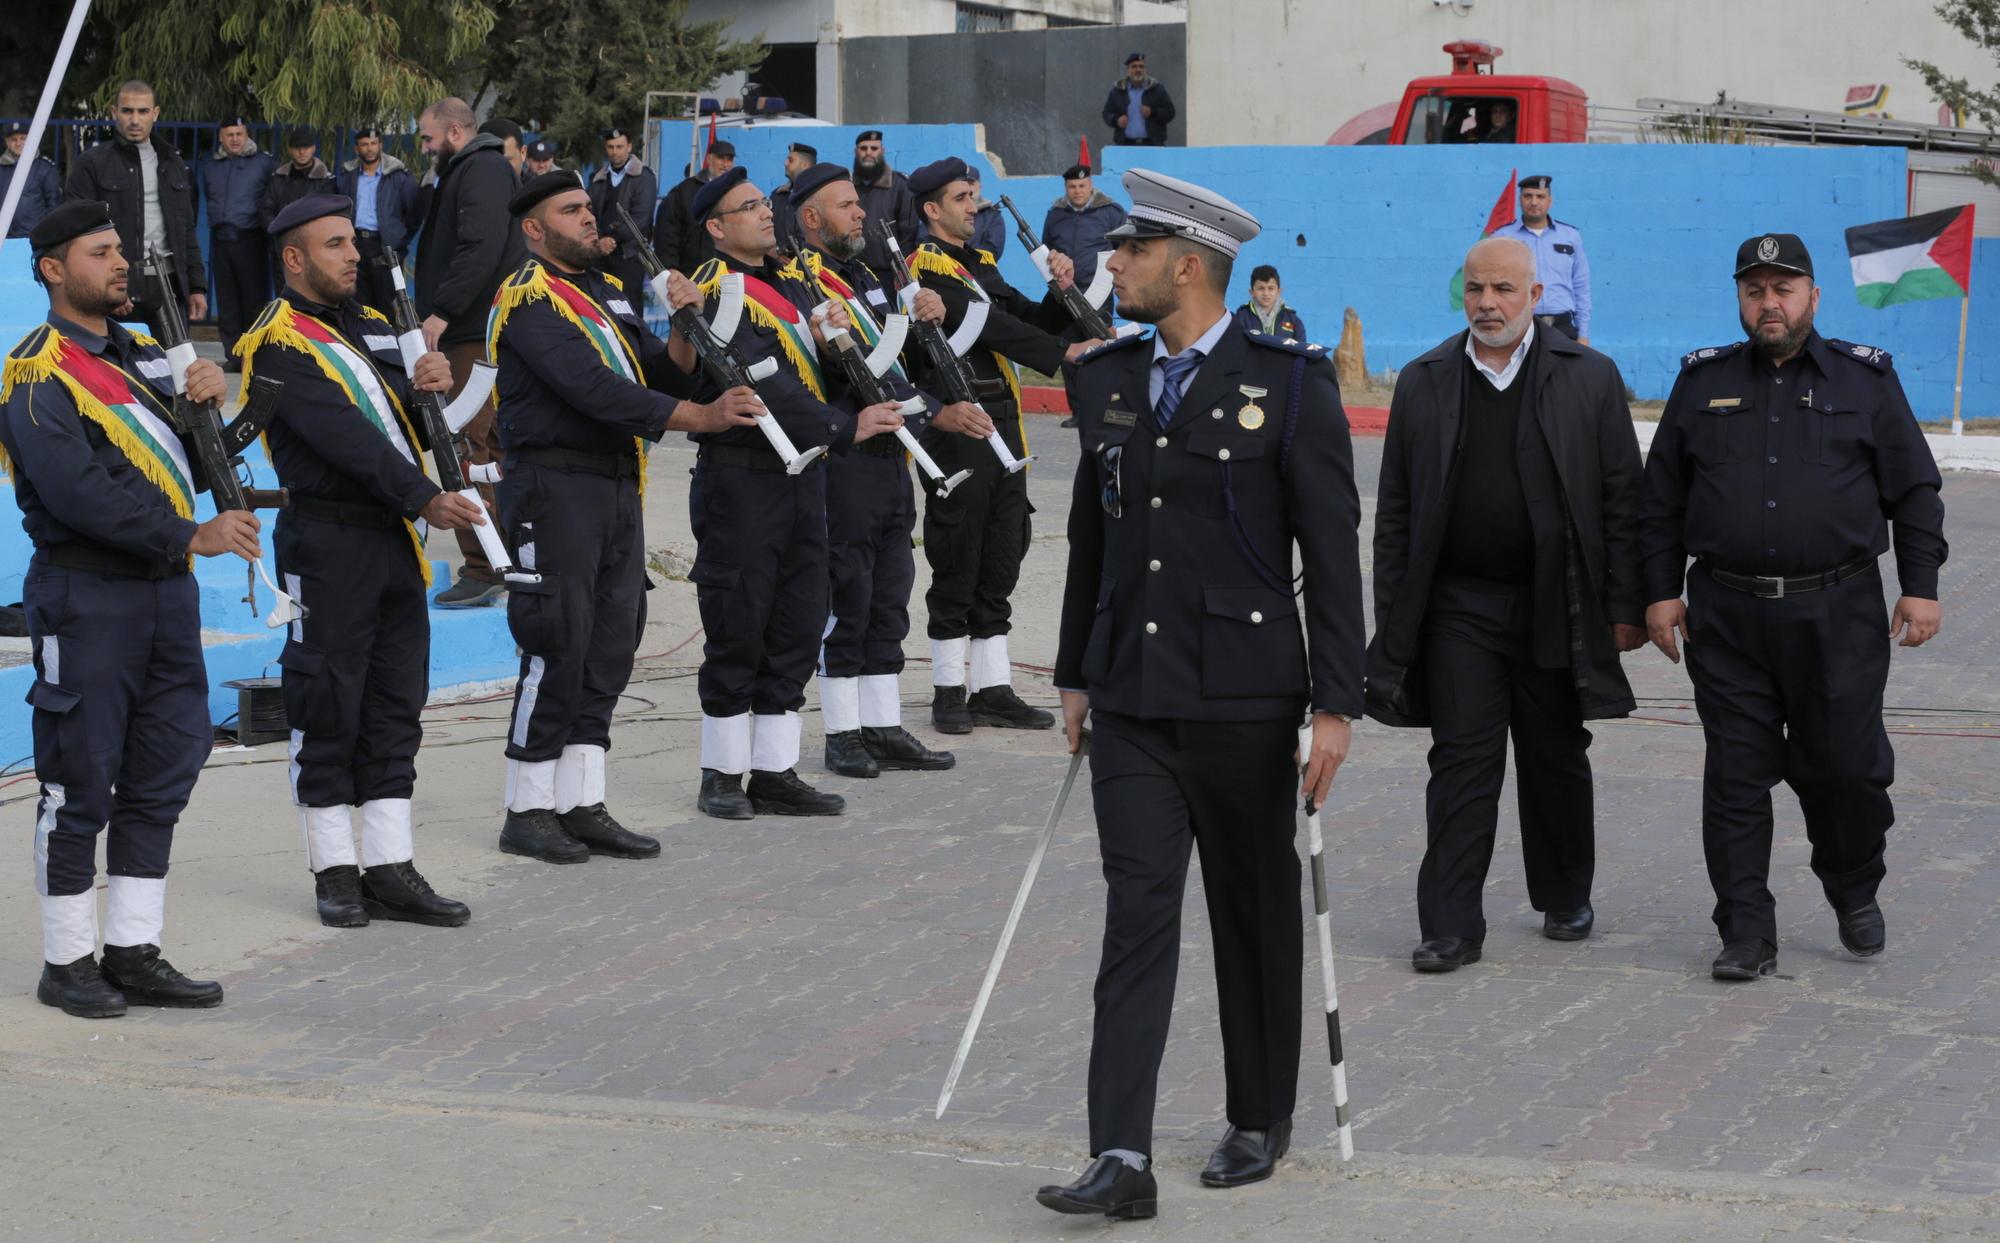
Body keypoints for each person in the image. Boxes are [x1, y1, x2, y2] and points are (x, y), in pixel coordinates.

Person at [1037, 168, 1363, 1218]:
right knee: (1135, 914)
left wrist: (1334, 704)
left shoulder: (1295, 382)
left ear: (1183, 265)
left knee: (1251, 913)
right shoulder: (1110, 378)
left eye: (1126, 252)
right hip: (1131, 697)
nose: (1111, 266)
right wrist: (1075, 672)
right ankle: (1118, 1154)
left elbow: (1332, 549)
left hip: (1243, 696)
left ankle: (1257, 1113)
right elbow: (1093, 534)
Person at [1641, 233, 1946, 981]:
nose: (1768, 303)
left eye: (1783, 288)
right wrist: (1656, 591)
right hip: (1728, 616)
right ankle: (1746, 929)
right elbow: (1658, 502)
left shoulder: (1865, 380)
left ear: (1813, 296)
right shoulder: (1700, 381)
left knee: (1845, 771)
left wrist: (1921, 583)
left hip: (1838, 614)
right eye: (1754, 290)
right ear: (1740, 300)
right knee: (1737, 777)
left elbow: (1914, 490)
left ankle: (1852, 886)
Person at [2, 201, 263, 1018]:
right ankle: (67, 958)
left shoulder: (146, 354)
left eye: (122, 249)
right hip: (88, 593)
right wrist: (195, 532)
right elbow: (80, 496)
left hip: (164, 593)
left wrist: (216, 405)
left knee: (163, 771)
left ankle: (134, 947)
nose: (122, 264)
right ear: (52, 268)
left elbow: (186, 458)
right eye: (101, 252)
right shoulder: (36, 371)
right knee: (79, 780)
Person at [1366, 236, 1645, 972]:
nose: (1488, 303)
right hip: (1460, 609)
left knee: (1556, 755)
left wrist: (1625, 605)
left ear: (1536, 296)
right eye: (1476, 290)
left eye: (1504, 291)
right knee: (1461, 760)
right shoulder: (1425, 380)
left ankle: (1564, 893)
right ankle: (1451, 925)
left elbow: (1623, 502)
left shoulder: (1590, 378)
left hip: (1561, 604)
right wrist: (1392, 613)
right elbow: (1395, 509)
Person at [488, 171, 765, 857]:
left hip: (614, 486)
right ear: (533, 228)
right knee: (556, 639)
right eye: (571, 210)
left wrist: (683, 327)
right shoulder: (528, 298)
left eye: (588, 207)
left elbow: (656, 372)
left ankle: (581, 800)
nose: (589, 219)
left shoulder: (604, 293)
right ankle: (527, 809)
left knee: (610, 642)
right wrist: (700, 416)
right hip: (553, 488)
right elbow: (594, 389)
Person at [236, 196, 484, 928]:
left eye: (353, 242)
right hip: (328, 540)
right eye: (334, 244)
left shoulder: (375, 328)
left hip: (391, 541)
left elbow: (402, 420)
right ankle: (335, 868)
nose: (352, 255)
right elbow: (346, 437)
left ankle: (389, 864)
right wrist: (423, 497)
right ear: (294, 258)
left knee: (393, 701)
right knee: (327, 701)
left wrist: (429, 383)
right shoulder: (274, 341)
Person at [681, 168, 905, 819]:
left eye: (762, 203)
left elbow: (807, 373)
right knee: (740, 623)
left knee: (797, 623)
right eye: (745, 207)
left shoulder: (785, 283)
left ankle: (775, 769)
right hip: (743, 479)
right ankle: (722, 772)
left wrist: (832, 347)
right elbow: (763, 379)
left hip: (803, 476)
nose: (762, 214)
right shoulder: (715, 289)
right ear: (717, 227)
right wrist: (844, 426)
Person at [904, 157, 1101, 734]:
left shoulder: (977, 264)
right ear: (932, 209)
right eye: (962, 198)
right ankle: (947, 689)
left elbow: (1025, 317)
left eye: (975, 196)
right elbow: (987, 324)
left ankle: (992, 686)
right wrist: (1061, 355)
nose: (974, 207)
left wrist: (1064, 288)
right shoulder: (922, 268)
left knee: (1002, 548)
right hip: (959, 423)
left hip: (1003, 420)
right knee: (958, 551)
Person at [788, 161, 968, 779]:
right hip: (849, 459)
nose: (861, 212)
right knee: (849, 595)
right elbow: (831, 371)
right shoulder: (798, 284)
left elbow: (900, 366)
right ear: (812, 219)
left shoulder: (864, 274)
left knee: (890, 594)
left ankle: (884, 726)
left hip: (893, 458)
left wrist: (925, 317)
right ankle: (843, 733)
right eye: (846, 205)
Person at [415, 97, 527, 608]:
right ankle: (509, 557)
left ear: (455, 132)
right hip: (476, 327)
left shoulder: (481, 168)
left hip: (470, 331)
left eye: (428, 138)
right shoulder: (475, 168)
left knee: (461, 446)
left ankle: (484, 567)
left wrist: (442, 309)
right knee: (492, 449)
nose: (425, 148)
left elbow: (479, 245)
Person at [63, 81, 208, 341]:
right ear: (113, 112)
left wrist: (196, 286)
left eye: (143, 111)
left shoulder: (174, 163)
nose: (135, 119)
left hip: (169, 287)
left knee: (176, 374)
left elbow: (185, 229)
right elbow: (78, 236)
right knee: (119, 376)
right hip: (119, 287)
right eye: (127, 110)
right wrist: (107, 287)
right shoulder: (92, 164)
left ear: (155, 113)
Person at [199, 117, 276, 367]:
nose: (234, 139)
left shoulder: (263, 163)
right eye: (229, 134)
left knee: (254, 302)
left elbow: (271, 198)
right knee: (228, 303)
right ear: (221, 137)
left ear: (246, 135)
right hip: (221, 241)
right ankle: (233, 357)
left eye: (239, 134)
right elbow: (209, 195)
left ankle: (255, 356)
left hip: (251, 240)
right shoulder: (212, 166)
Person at [1489, 176, 1591, 345]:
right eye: (1528, 196)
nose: (1534, 202)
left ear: (1550, 201)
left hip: (1563, 328)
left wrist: (1583, 334)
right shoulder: (1502, 236)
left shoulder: (1570, 236)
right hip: (1519, 326)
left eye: (1540, 196)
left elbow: (1581, 287)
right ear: (1520, 199)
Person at [336, 126, 423, 320]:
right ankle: (365, 346)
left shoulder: (398, 175)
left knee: (389, 301)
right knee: (358, 301)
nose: (370, 148)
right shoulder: (348, 175)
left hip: (386, 246)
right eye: (364, 144)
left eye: (374, 144)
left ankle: (392, 345)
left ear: (380, 145)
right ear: (357, 148)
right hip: (356, 244)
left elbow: (414, 213)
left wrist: (400, 239)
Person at [586, 127, 657, 302]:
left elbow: (641, 217)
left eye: (619, 146)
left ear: (629, 147)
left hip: (630, 257)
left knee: (630, 310)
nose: (615, 152)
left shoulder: (644, 176)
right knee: (601, 307)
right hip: (600, 256)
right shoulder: (596, 178)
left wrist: (613, 240)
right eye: (611, 147)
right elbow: (589, 213)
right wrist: (599, 241)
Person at [654, 139, 734, 277]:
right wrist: (670, 268)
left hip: (728, 275)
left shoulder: (738, 193)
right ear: (709, 159)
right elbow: (667, 232)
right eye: (721, 158)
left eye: (729, 159)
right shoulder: (685, 191)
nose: (725, 164)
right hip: (689, 274)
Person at [1041, 165, 1124, 293]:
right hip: (1063, 288)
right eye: (1072, 186)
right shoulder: (1055, 215)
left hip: (1099, 291)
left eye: (1082, 185)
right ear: (1065, 187)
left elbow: (1124, 249)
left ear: (1090, 185)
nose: (1077, 191)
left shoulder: (1111, 213)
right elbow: (1047, 250)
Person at [852, 131, 919, 277]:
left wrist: (901, 268)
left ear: (882, 151)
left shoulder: (900, 185)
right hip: (854, 271)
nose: (868, 153)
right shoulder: (848, 186)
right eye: (864, 148)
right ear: (856, 151)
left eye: (874, 149)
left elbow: (909, 233)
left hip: (890, 273)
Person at [262, 127, 337, 231]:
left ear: (313, 148)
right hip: (278, 239)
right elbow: (267, 209)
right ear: (290, 151)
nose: (302, 152)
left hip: (309, 241)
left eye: (306, 147)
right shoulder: (277, 177)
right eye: (297, 147)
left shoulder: (325, 180)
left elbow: (326, 213)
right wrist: (277, 230)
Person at [1, 121, 62, 238]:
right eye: (13, 139)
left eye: (23, 138)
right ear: (7, 142)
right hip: (4, 237)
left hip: (35, 237)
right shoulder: (1, 168)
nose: (18, 143)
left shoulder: (45, 167)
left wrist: (46, 231)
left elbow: (54, 204)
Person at [1102, 53, 1176, 148]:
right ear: (1128, 69)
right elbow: (1107, 112)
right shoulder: (1118, 91)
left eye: (1141, 66)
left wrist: (1152, 112)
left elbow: (1170, 113)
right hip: (1125, 145)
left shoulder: (1157, 89)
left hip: (1152, 145)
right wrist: (1116, 120)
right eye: (1134, 66)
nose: (1138, 70)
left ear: (1145, 69)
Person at [1230, 264, 1306, 340]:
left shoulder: (1292, 320)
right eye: (1260, 288)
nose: (1266, 293)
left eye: (1271, 288)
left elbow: (1301, 350)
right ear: (1252, 292)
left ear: (1279, 291)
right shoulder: (1241, 318)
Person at [768, 141, 817, 257]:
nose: (785, 163)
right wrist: (772, 251)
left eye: (791, 160)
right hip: (779, 267)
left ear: (805, 164)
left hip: (811, 266)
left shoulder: (817, 196)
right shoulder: (778, 195)